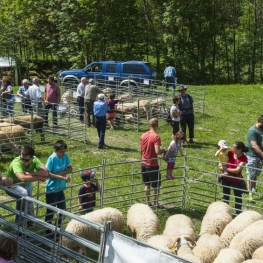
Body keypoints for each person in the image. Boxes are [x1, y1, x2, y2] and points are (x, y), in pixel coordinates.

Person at [6, 146, 48, 226]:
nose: (23, 161)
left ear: (32, 158)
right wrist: (39, 177)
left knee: (25, 202)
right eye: (22, 158)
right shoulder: (16, 162)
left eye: (26, 160)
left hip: (27, 185)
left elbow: (45, 173)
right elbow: (22, 178)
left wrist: (31, 174)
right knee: (23, 195)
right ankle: (25, 223)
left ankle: (26, 223)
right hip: (13, 184)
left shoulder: (35, 160)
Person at [44, 140, 72, 239]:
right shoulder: (52, 158)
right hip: (51, 189)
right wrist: (61, 177)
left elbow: (70, 169)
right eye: (61, 151)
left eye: (64, 151)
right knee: (51, 211)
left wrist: (59, 174)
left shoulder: (65, 156)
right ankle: (47, 232)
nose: (63, 153)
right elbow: (47, 173)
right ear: (55, 150)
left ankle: (58, 229)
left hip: (60, 188)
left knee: (62, 210)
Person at [140, 118, 166, 208]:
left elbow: (141, 150)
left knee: (147, 184)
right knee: (156, 185)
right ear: (157, 125)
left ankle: (148, 203)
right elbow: (157, 151)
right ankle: (155, 203)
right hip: (152, 165)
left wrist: (142, 159)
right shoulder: (156, 137)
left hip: (143, 163)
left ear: (149, 125)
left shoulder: (143, 135)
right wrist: (164, 150)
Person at [219, 142, 248, 215]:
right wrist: (220, 165)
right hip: (226, 178)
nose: (232, 149)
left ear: (240, 150)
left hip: (236, 179)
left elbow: (237, 170)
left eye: (234, 148)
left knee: (238, 196)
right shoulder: (230, 153)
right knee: (226, 195)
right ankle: (224, 211)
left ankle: (238, 212)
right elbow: (222, 159)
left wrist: (225, 169)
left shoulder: (243, 158)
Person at [246, 115, 263, 202]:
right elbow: (254, 145)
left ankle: (253, 189)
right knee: (251, 175)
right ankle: (250, 194)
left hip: (260, 157)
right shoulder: (252, 131)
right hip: (252, 156)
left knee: (256, 174)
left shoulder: (261, 130)